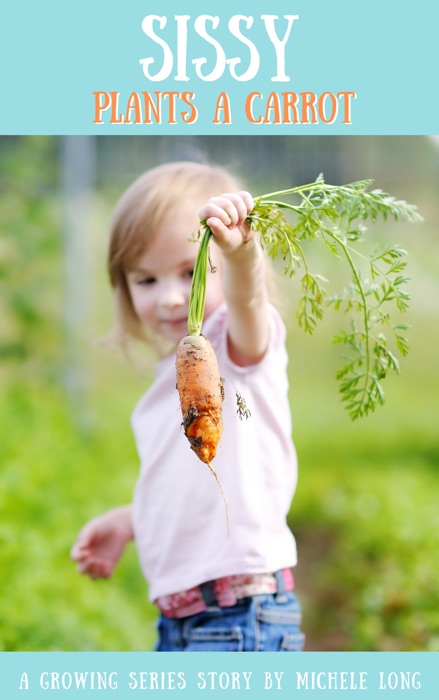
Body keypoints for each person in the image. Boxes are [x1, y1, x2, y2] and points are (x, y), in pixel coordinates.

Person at [71, 161, 304, 652]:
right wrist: (131, 520)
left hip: (242, 614)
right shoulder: (168, 384)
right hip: (179, 620)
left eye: (190, 271)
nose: (173, 298)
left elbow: (247, 303)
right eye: (146, 280)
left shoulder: (234, 350)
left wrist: (239, 256)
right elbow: (186, 486)